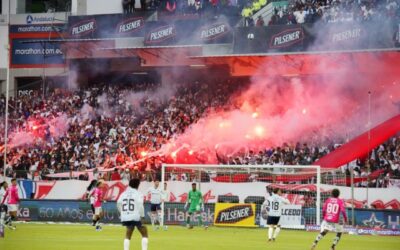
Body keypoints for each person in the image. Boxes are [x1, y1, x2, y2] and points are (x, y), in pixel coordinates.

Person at [117, 178, 148, 250]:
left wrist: (122, 213)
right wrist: (142, 216)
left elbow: (118, 203)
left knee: (128, 233)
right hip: (135, 216)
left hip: (125, 217)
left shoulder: (123, 193)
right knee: (144, 232)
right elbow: (140, 205)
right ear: (137, 185)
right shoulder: (138, 194)